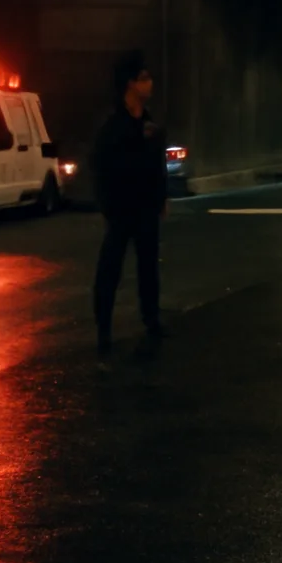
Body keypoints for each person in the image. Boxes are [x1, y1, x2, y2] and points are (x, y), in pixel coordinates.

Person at [91, 51, 169, 360]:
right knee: (110, 269)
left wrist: (161, 196)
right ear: (130, 84)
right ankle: (103, 330)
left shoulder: (148, 123)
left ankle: (151, 318)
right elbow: (101, 167)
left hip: (147, 208)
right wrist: (109, 207)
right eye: (144, 78)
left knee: (149, 265)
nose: (150, 84)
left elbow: (157, 163)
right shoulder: (114, 127)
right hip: (122, 210)